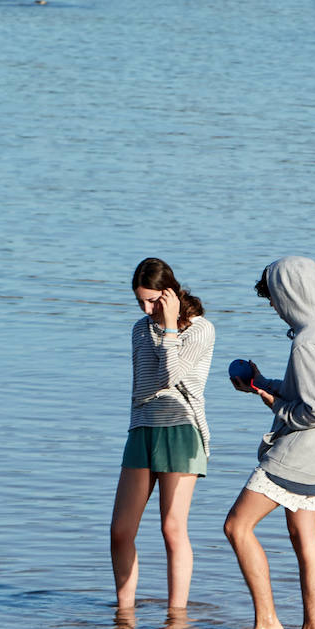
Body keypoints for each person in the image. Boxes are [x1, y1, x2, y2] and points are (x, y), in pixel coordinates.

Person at [224, 256, 315, 629]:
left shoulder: (307, 341)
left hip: (296, 453)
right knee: (305, 541)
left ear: (289, 293)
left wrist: (275, 406)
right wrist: (267, 384)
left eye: (274, 297)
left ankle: (268, 624)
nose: (273, 306)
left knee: (237, 526)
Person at [110, 257, 215, 610]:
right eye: (140, 301)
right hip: (141, 429)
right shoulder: (140, 329)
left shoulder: (201, 330)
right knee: (120, 531)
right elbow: (143, 387)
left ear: (170, 293)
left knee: (172, 528)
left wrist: (170, 326)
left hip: (182, 429)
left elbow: (169, 375)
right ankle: (124, 614)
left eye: (153, 300)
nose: (146, 308)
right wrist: (161, 328)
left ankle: (177, 615)